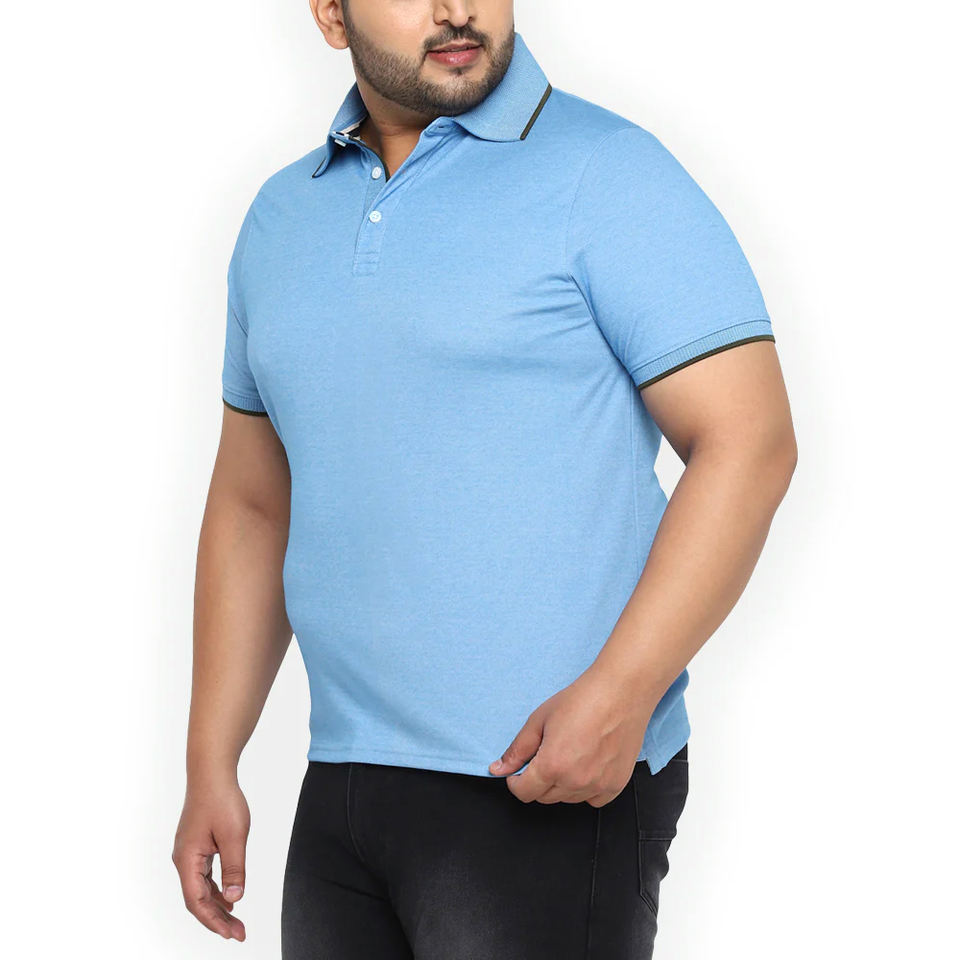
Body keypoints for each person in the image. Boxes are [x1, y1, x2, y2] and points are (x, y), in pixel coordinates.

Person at [172, 2, 797, 957]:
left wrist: (623, 693)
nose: (457, 8)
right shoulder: (280, 217)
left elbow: (750, 441)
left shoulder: (607, 171)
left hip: (548, 776)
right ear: (331, 15)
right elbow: (257, 503)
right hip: (343, 780)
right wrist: (211, 759)